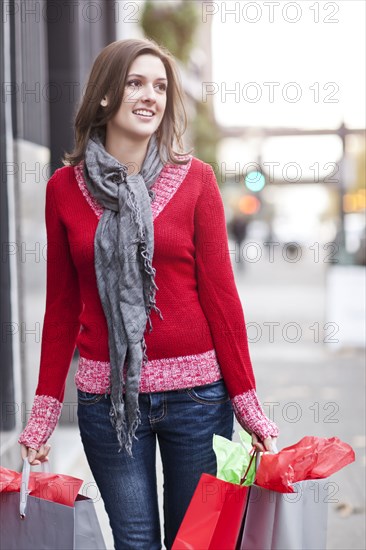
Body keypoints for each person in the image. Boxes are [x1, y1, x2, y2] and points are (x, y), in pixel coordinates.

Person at [19, 38, 279, 550]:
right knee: (135, 541)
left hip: (200, 399)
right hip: (106, 399)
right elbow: (61, 309)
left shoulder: (197, 180)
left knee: (196, 540)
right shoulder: (63, 191)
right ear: (103, 96)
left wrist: (250, 410)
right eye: (135, 83)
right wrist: (43, 415)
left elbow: (223, 301)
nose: (150, 96)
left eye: (159, 87)